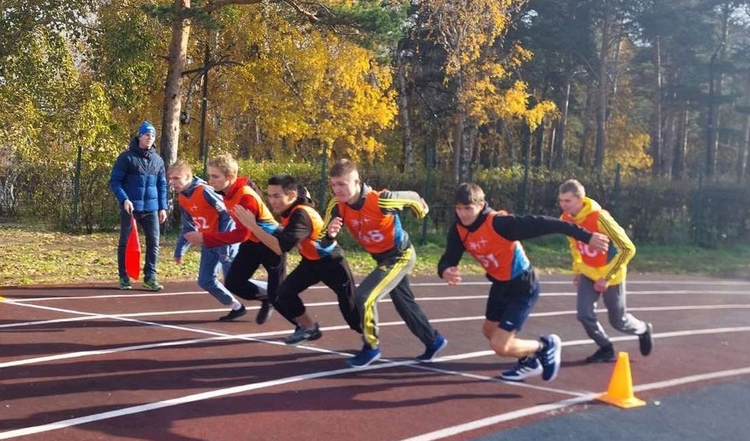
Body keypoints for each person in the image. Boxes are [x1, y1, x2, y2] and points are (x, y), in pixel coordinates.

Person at [437, 182, 610, 383]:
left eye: (468, 208)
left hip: (522, 284)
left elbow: (547, 223)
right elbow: (450, 256)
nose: (463, 214)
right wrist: (445, 270)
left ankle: (545, 346)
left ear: (481, 204)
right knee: (489, 331)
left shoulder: (500, 223)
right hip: (500, 284)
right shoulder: (459, 229)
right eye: (458, 208)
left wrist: (586, 236)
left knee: (501, 346)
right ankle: (529, 362)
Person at [323, 158, 446, 368]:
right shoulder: (337, 205)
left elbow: (414, 198)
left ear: (357, 182)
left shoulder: (381, 200)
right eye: (333, 185)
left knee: (365, 297)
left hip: (400, 255)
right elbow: (323, 240)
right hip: (380, 258)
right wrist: (330, 233)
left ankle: (371, 347)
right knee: (404, 304)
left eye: (342, 184)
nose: (338, 190)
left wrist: (421, 210)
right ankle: (434, 340)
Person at [234, 173, 362, 345]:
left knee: (350, 308)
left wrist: (252, 226)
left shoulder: (301, 215)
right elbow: (302, 195)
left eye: (277, 196)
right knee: (284, 293)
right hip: (310, 261)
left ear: (292, 195)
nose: (272, 201)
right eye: (270, 196)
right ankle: (309, 328)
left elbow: (279, 248)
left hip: (331, 262)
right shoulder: (289, 209)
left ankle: (370, 338)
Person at [185, 153, 291, 326]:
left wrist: (206, 238)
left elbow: (242, 234)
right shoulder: (227, 194)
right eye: (209, 175)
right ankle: (267, 298)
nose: (210, 181)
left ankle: (304, 326)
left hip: (271, 244)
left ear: (230, 177)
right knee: (233, 283)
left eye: (215, 176)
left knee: (281, 297)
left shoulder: (245, 196)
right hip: (252, 243)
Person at [558, 179, 653, 363]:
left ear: (580, 199)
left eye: (567, 201)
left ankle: (643, 329)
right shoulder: (565, 219)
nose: (563, 205)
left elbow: (628, 248)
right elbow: (574, 245)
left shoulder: (600, 218)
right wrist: (578, 269)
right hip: (587, 272)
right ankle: (605, 347)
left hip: (611, 275)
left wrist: (607, 277)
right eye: (561, 200)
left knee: (618, 321)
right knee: (584, 314)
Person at [167, 160, 247, 321]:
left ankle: (272, 293)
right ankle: (237, 307)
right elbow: (188, 226)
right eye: (171, 178)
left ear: (188, 177)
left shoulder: (205, 191)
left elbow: (226, 215)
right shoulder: (183, 198)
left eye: (177, 178)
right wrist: (180, 249)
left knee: (234, 280)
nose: (172, 182)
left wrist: (223, 241)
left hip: (224, 240)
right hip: (208, 242)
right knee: (205, 280)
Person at [109, 121, 167, 291]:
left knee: (154, 242)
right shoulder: (126, 158)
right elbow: (115, 181)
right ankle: (124, 277)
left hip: (152, 208)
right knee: (125, 243)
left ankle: (150, 277)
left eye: (152, 135)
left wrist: (162, 207)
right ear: (140, 136)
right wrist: (124, 199)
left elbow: (162, 185)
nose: (150, 138)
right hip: (131, 209)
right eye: (147, 134)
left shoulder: (158, 160)